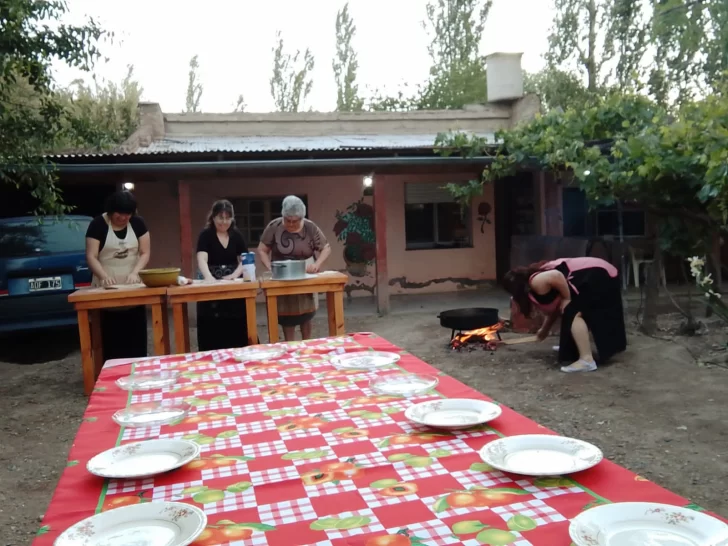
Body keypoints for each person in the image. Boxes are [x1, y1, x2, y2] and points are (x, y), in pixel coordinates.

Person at [502, 257, 627, 373]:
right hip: (594, 275)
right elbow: (555, 310)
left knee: (572, 311)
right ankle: (571, 349)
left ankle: (587, 360)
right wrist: (544, 330)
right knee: (566, 309)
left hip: (599, 274)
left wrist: (567, 298)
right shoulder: (537, 286)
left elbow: (557, 275)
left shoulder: (536, 281)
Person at [85, 190, 151, 359]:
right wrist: (103, 276)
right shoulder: (98, 224)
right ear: (111, 210)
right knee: (110, 343)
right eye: (119, 214)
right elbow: (91, 256)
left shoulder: (138, 223)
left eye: (127, 214)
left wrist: (136, 272)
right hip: (106, 293)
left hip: (133, 290)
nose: (123, 218)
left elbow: (145, 252)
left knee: (136, 341)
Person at [257, 195, 331, 341]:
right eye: (287, 220)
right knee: (287, 316)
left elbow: (326, 248)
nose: (290, 224)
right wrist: (270, 267)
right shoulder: (275, 226)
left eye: (294, 221)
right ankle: (289, 345)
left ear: (302, 218)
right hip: (282, 274)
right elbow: (262, 249)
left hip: (305, 272)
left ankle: (307, 344)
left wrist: (316, 265)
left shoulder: (310, 227)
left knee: (306, 314)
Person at [196, 199, 250, 351]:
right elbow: (202, 258)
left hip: (232, 283)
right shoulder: (205, 235)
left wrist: (235, 275)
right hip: (211, 282)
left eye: (228, 218)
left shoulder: (236, 235)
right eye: (220, 217)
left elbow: (245, 259)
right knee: (211, 323)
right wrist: (208, 277)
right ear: (213, 217)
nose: (224, 222)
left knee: (237, 322)